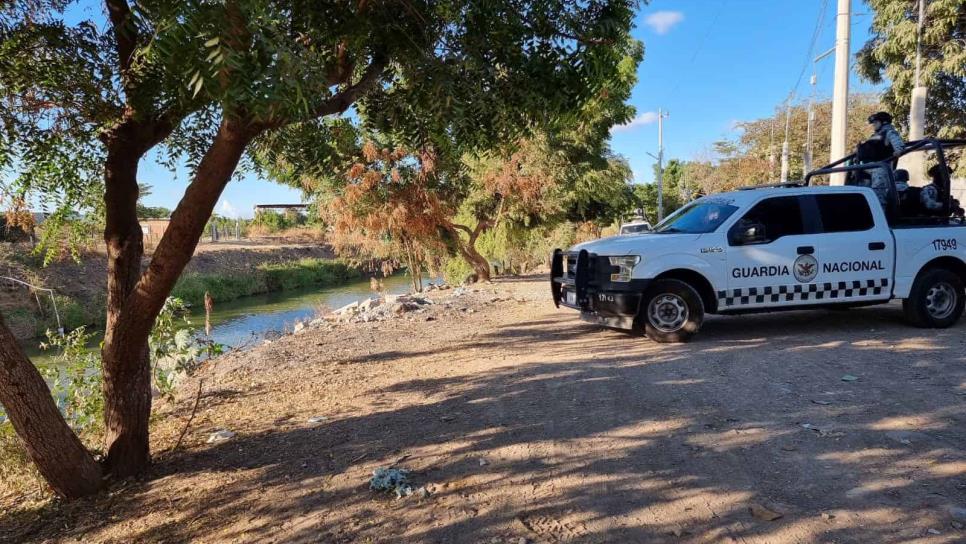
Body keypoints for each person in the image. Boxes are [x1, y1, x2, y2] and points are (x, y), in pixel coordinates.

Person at [866, 112, 905, 206]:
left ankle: (881, 218)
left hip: (881, 170)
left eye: (876, 122)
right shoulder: (875, 135)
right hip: (869, 170)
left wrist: (898, 151)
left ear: (884, 122)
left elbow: (900, 147)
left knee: (878, 198)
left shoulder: (889, 132)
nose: (873, 124)